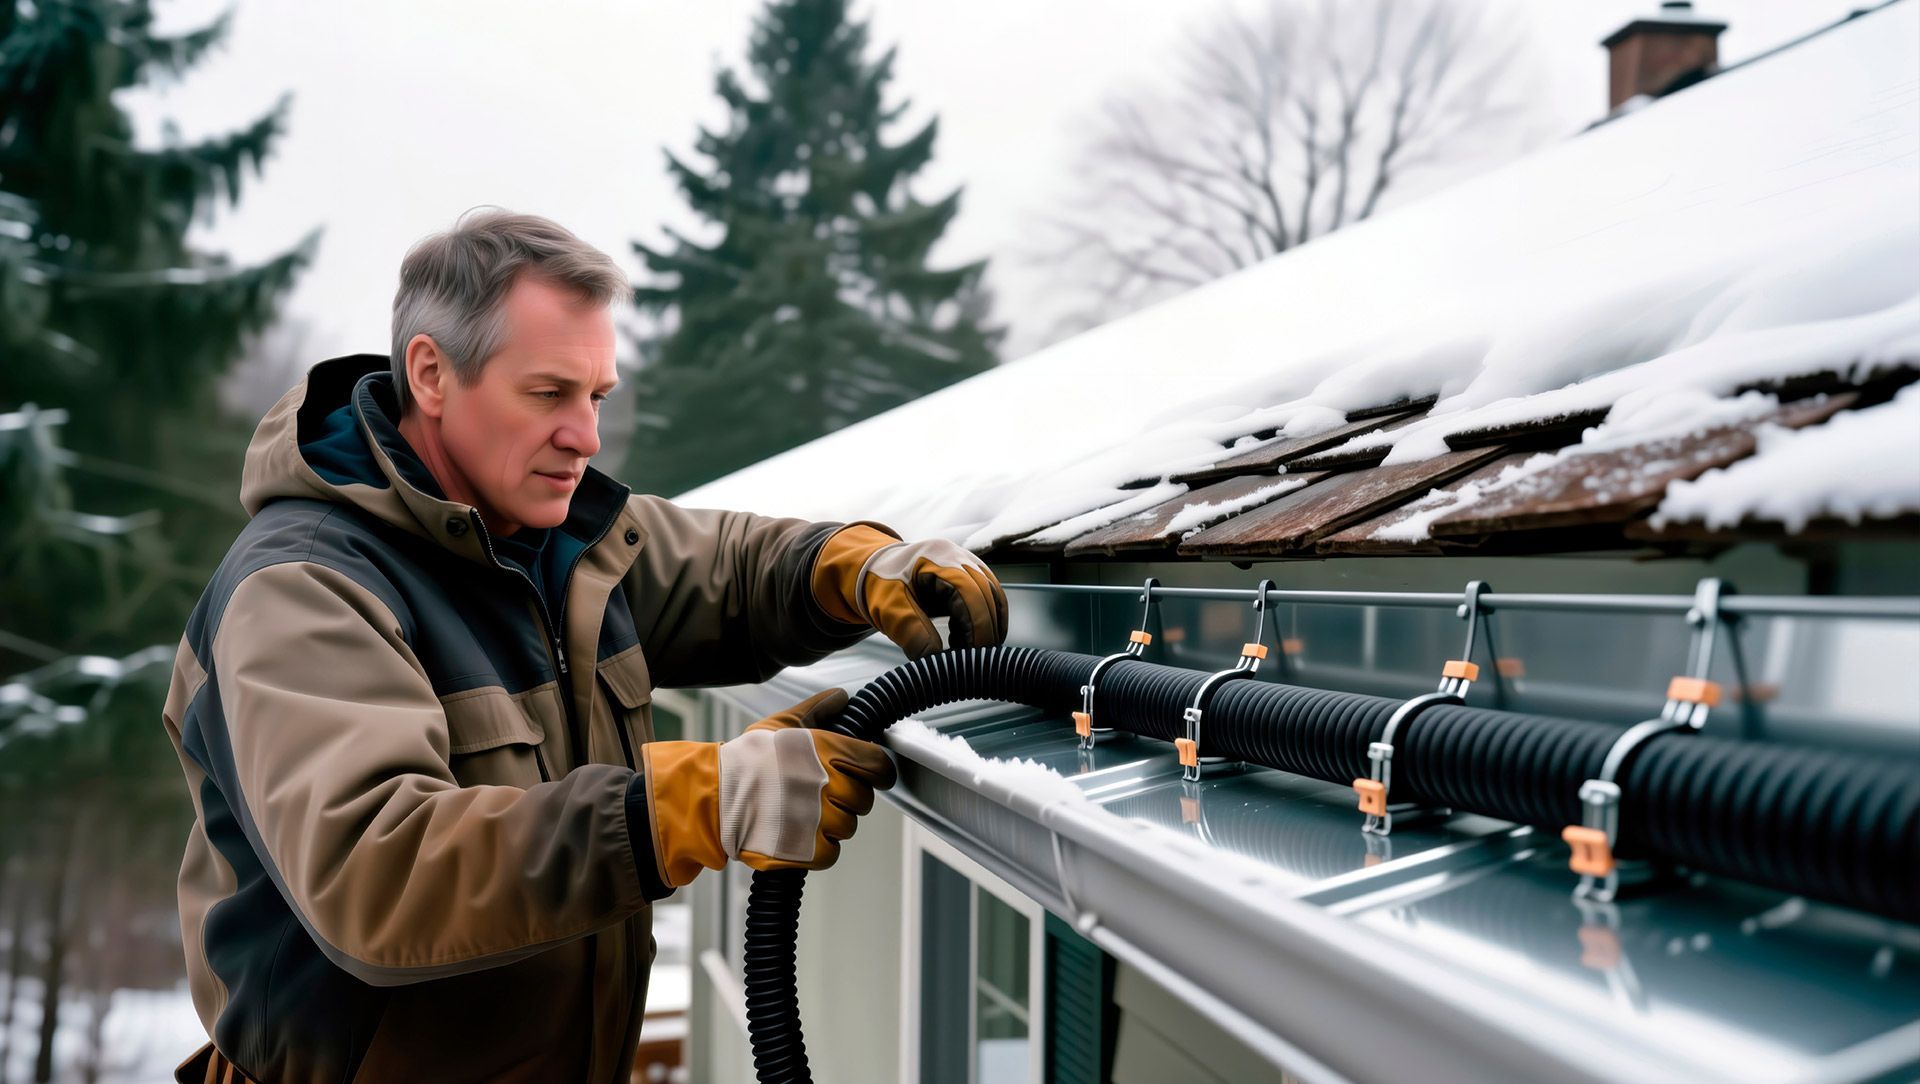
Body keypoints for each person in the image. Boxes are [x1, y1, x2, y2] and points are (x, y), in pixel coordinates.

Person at [159, 210, 1007, 1083]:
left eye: (596, 397)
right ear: (431, 374)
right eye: (548, 394)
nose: (585, 436)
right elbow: (380, 871)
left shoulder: (545, 535)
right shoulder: (305, 588)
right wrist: (687, 807)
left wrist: (844, 566)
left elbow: (723, 567)